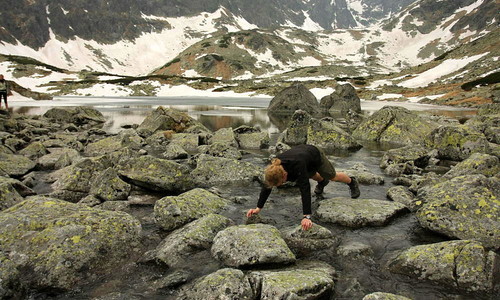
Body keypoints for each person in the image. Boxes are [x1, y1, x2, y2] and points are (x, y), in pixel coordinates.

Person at [246, 144, 360, 231]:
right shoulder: (274, 169)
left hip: (315, 155)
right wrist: (258, 208)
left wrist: (307, 216)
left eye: (280, 183)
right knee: (313, 175)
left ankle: (351, 182)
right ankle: (322, 182)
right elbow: (267, 187)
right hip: (303, 157)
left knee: (332, 176)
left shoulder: (298, 166)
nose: (279, 186)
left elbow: (305, 189)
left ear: (285, 175)